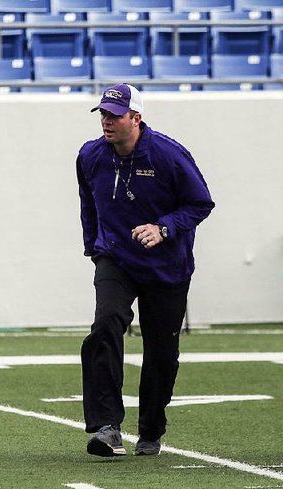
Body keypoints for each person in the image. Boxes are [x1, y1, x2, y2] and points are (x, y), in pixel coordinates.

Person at [76, 84, 215, 458]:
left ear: (135, 118)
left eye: (115, 115)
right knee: (105, 325)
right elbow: (88, 203)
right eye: (103, 114)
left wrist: (164, 227)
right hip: (116, 257)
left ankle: (152, 427)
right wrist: (94, 247)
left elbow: (201, 202)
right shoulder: (90, 156)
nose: (107, 121)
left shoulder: (169, 155)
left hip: (167, 263)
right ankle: (106, 428)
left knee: (162, 352)